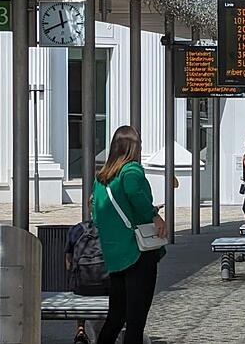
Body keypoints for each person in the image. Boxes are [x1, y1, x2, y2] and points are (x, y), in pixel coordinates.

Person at [92, 126, 167, 344]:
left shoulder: (102, 179)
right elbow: (134, 192)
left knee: (116, 316)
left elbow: (97, 215)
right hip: (138, 252)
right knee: (136, 320)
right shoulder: (132, 170)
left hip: (115, 256)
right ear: (134, 147)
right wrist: (153, 214)